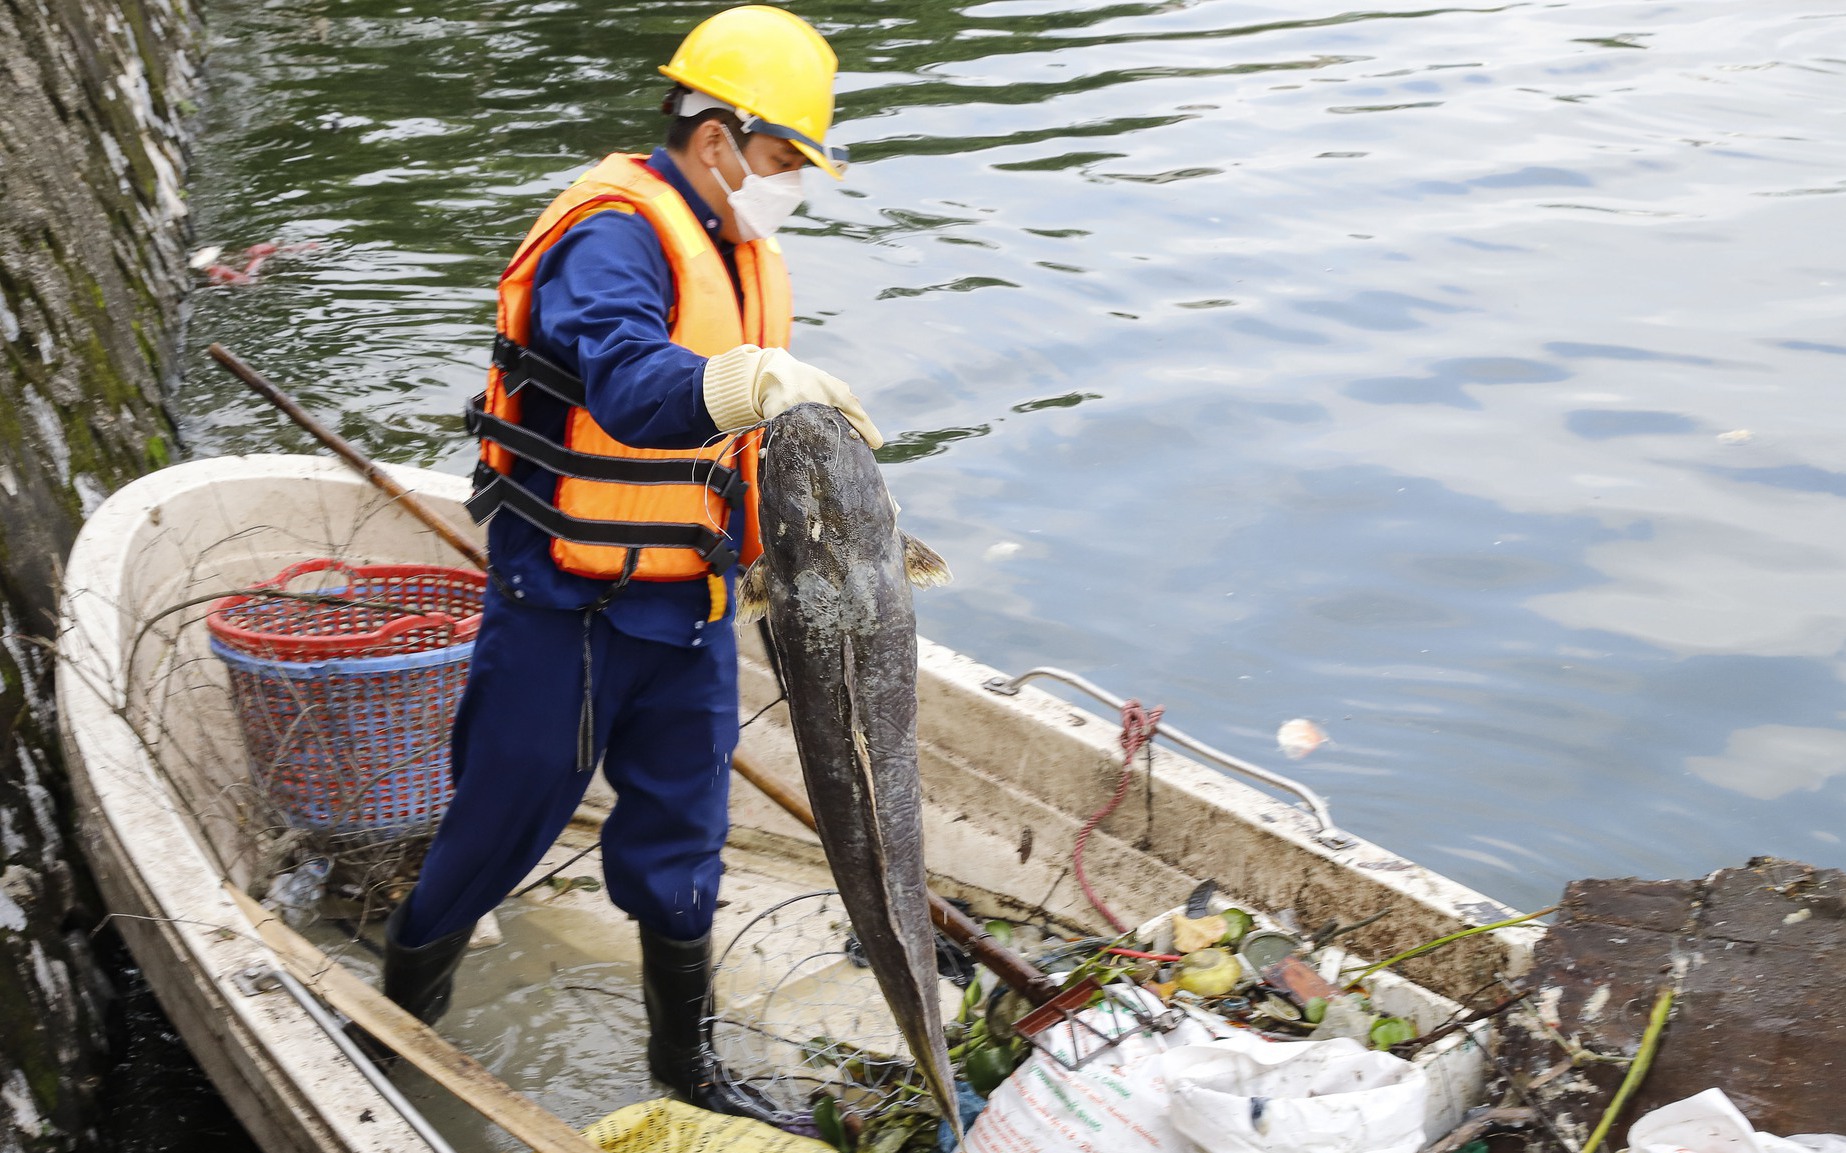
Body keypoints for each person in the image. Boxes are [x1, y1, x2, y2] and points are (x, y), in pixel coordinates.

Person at [376, 5, 880, 1101]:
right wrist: (750, 383)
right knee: (497, 827)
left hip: (687, 606)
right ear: (714, 140)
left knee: (683, 843)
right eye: (783, 155)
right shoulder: (611, 231)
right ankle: (393, 1033)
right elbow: (626, 380)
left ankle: (684, 1064)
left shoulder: (743, 249)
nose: (791, 180)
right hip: (567, 601)